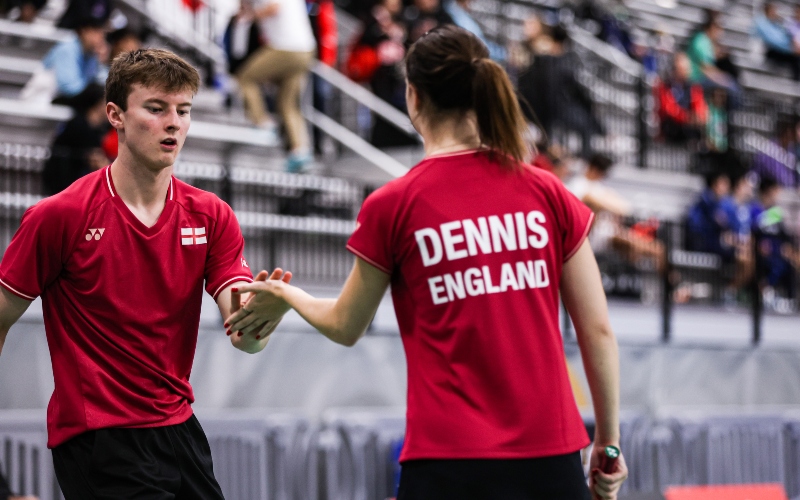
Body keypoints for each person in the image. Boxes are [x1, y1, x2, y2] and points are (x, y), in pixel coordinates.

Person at [227, 25, 627, 499]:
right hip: (551, 459)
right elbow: (597, 329)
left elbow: (346, 325)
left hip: (447, 464)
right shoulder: (548, 193)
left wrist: (286, 295)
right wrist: (609, 443)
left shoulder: (394, 204)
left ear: (413, 97)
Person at [0, 48, 291, 499]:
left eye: (183, 110)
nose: (173, 122)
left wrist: (261, 319)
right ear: (115, 114)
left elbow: (245, 337)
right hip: (99, 437)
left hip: (179, 430)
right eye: (156, 109)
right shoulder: (60, 216)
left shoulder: (211, 215)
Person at [235, 0, 316, 172]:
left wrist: (250, 16)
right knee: (288, 104)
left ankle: (262, 123)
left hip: (286, 48)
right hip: (305, 50)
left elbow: (274, 7)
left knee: (245, 78)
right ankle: (300, 150)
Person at [567, 153, 665, 274]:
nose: (602, 176)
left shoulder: (598, 187)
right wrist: (606, 206)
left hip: (608, 232)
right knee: (635, 247)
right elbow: (594, 203)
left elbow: (624, 207)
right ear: (594, 168)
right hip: (593, 236)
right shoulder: (578, 185)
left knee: (658, 249)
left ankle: (669, 281)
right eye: (602, 173)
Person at [518, 25, 604, 159]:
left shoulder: (559, 62)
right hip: (547, 108)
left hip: (550, 108)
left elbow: (575, 88)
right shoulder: (547, 62)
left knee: (586, 125)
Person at [42, 83, 109, 195]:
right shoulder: (80, 126)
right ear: (97, 104)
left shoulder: (94, 128)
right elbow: (97, 161)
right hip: (62, 182)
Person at [44, 16, 108, 102]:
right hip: (47, 98)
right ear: (83, 31)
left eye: (102, 33)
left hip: (70, 99)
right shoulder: (67, 49)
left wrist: (102, 62)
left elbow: (101, 80)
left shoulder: (91, 54)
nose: (100, 38)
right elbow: (68, 88)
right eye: (96, 32)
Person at [656, 53, 708, 145]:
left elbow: (699, 105)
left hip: (689, 126)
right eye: (683, 69)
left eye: (687, 68)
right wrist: (686, 117)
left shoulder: (693, 87)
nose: (687, 71)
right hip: (672, 127)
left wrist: (698, 116)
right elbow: (668, 109)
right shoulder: (665, 86)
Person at [754, 1, 800, 81]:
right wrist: (791, 49)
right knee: (795, 58)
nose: (776, 12)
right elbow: (772, 41)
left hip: (783, 50)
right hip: (769, 51)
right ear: (768, 10)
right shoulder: (761, 23)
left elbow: (782, 38)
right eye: (774, 10)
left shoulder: (775, 24)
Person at [752, 118, 799, 188]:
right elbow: (757, 174)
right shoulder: (769, 148)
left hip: (790, 194)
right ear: (789, 130)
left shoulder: (794, 152)